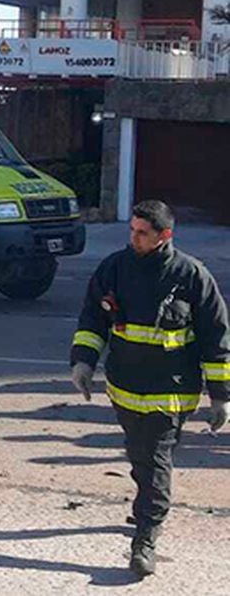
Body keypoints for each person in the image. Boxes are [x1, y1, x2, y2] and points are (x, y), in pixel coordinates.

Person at [69, 199, 229, 577]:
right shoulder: (114, 268)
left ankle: (145, 538)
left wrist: (221, 396)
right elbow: (93, 318)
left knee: (155, 459)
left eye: (143, 233)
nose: (135, 238)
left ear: (164, 236)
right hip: (124, 388)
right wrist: (83, 362)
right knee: (141, 456)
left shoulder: (192, 276)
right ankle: (147, 504)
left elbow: (216, 338)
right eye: (132, 230)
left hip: (170, 392)